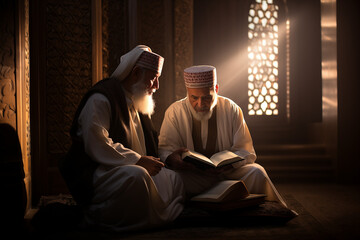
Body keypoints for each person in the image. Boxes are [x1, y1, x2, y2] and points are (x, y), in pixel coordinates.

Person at [59, 45, 185, 232]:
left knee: (174, 179)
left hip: (130, 168)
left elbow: (151, 144)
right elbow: (97, 142)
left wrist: (166, 158)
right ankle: (99, 216)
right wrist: (137, 160)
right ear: (135, 73)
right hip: (101, 172)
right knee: (138, 176)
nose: (157, 86)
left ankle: (150, 216)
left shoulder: (137, 99)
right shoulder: (102, 98)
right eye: (153, 78)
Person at [158, 65, 287, 207]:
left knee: (257, 172)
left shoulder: (232, 109)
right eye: (194, 98)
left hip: (228, 175)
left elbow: (245, 151)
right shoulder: (175, 112)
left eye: (207, 98)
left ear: (216, 90)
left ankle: (260, 209)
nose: (200, 104)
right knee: (171, 178)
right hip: (193, 176)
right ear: (187, 92)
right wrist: (172, 158)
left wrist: (230, 165)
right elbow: (165, 150)